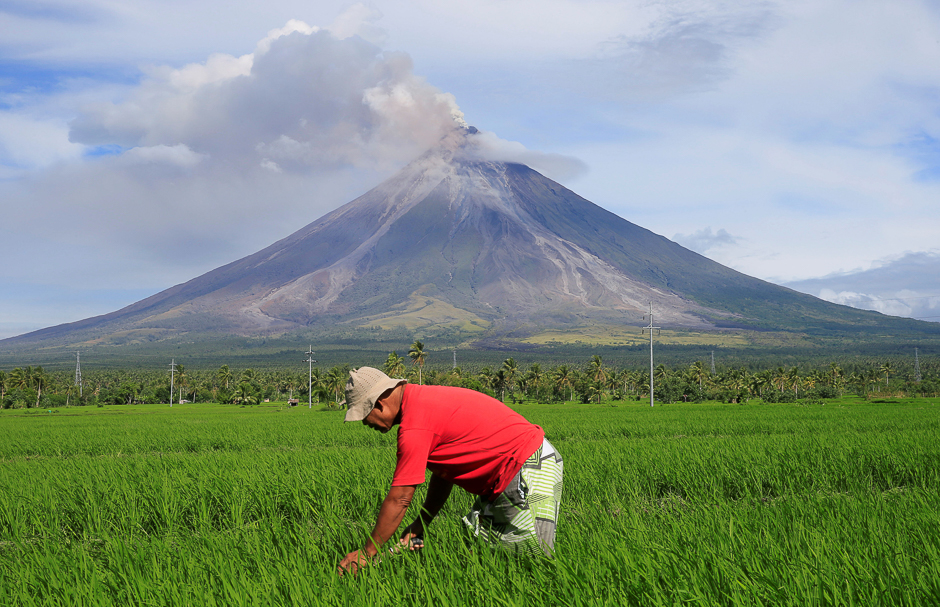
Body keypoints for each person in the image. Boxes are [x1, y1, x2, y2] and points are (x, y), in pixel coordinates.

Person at [337, 367, 563, 575]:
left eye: (364, 417)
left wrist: (367, 552)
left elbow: (400, 499)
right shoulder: (422, 401)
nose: (367, 424)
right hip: (508, 474)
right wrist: (421, 522)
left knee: (530, 565)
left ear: (378, 404)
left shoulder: (415, 426)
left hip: (526, 467)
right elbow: (445, 473)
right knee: (485, 557)